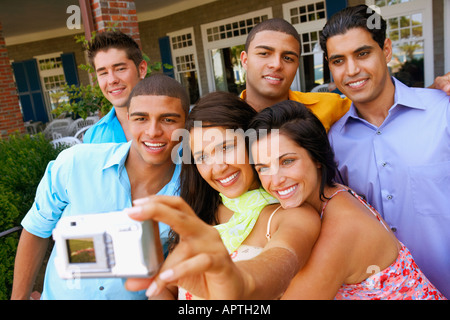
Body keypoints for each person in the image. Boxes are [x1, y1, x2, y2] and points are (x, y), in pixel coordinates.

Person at [124, 92, 321, 300]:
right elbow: (165, 288)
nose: (218, 167)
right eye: (202, 157)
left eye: (226, 148)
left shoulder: (292, 215)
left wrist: (240, 281)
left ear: (252, 142)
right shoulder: (201, 213)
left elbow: (282, 261)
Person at [11, 74, 189, 300]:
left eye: (168, 120)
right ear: (128, 118)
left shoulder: (191, 191)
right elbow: (36, 230)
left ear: (186, 125)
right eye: (141, 118)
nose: (153, 131)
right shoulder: (76, 163)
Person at [249, 100, 445, 300]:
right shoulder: (332, 194)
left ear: (316, 157)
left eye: (287, 161)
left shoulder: (342, 227)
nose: (276, 180)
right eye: (263, 168)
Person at [321, 5, 450, 298]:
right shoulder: (333, 142)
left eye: (362, 53)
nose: (351, 70)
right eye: (338, 60)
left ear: (387, 50)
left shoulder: (442, 112)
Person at [83, 31, 147, 144]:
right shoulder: (93, 138)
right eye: (103, 73)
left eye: (120, 69)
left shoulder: (181, 121)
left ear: (141, 69)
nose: (112, 80)